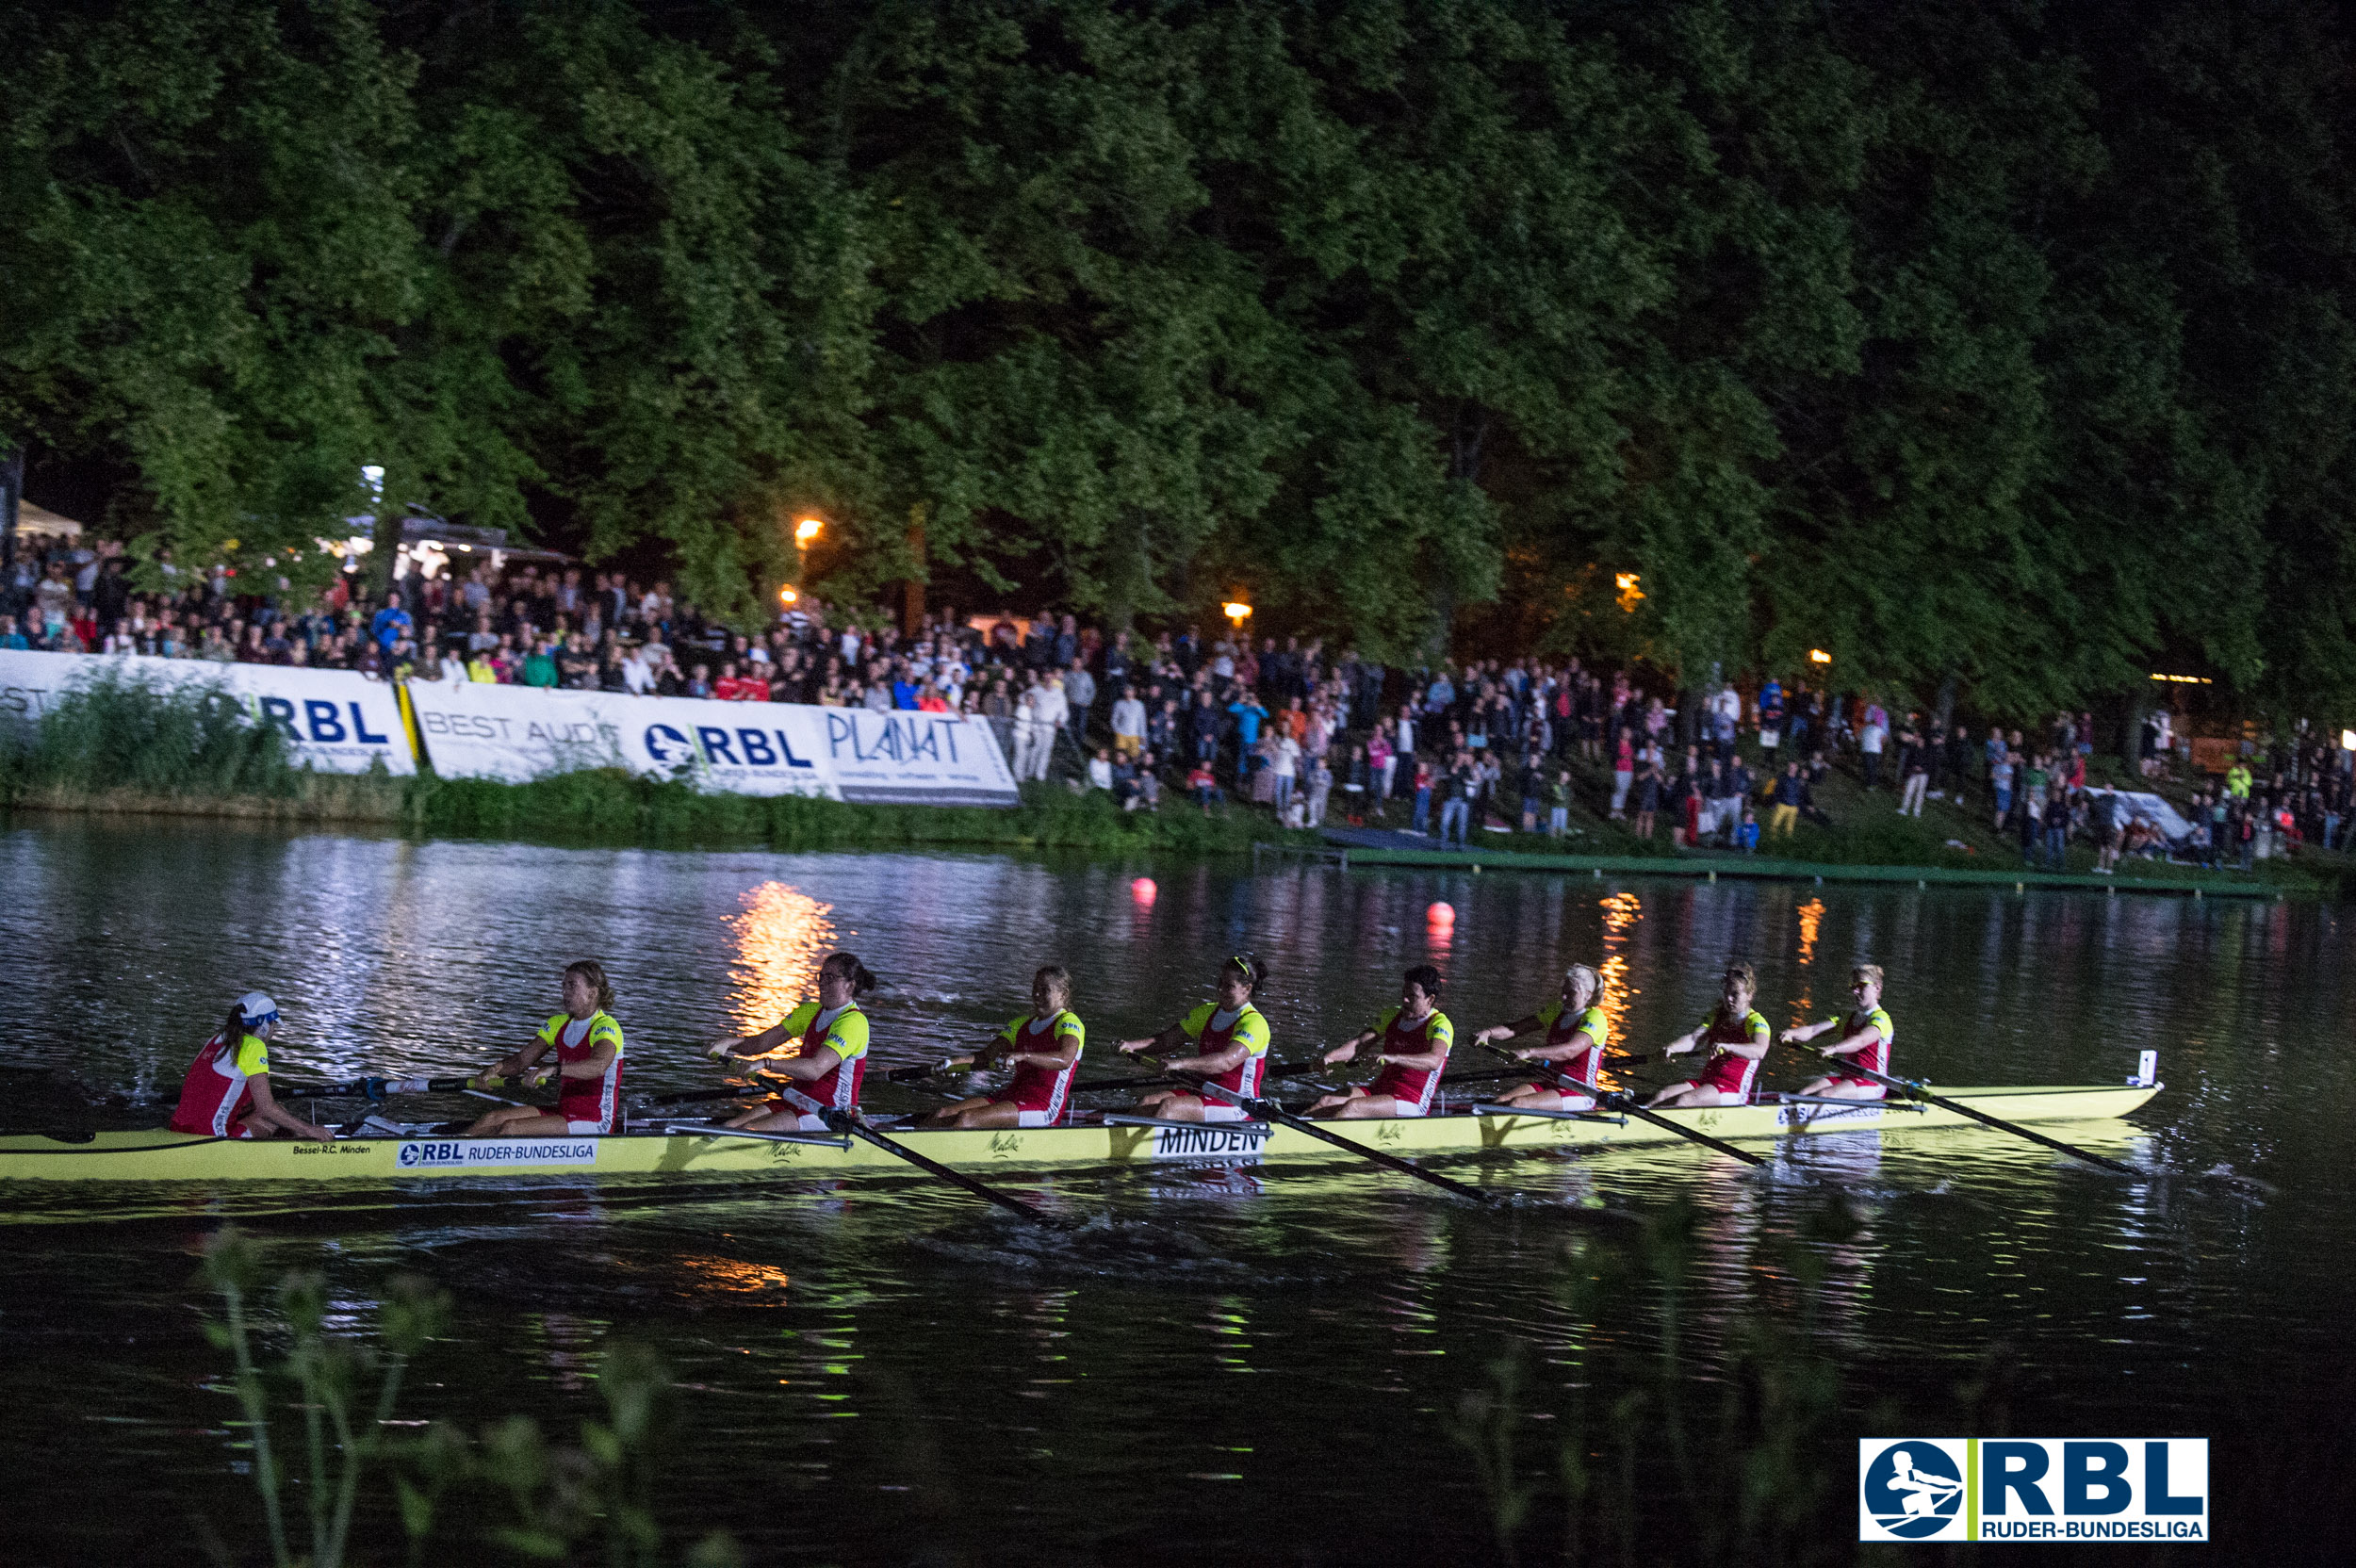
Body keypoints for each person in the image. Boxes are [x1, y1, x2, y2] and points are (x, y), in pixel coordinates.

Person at [706, 952, 880, 1131]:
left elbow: (815, 1069)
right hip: (795, 1100)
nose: (821, 983)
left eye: (830, 978)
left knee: (749, 1130)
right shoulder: (810, 1012)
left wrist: (766, 1063)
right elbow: (759, 1044)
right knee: (729, 1126)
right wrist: (729, 1043)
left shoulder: (853, 1022)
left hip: (830, 1113)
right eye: (821, 976)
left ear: (850, 985)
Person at [460, 962, 628, 1136]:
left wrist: (554, 1070)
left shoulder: (607, 1027)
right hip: (564, 1111)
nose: (564, 992)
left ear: (593, 992)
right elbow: (521, 1061)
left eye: (572, 986)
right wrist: (494, 1070)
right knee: (492, 1119)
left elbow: (598, 1066)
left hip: (596, 1120)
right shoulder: (558, 1023)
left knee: (511, 1128)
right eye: (563, 986)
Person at [1113, 954, 1272, 1124]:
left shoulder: (1254, 1023)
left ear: (1247, 989)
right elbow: (1167, 1040)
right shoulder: (1208, 1012)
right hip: (1203, 1092)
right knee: (1146, 1102)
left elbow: (1225, 1062)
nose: (1220, 990)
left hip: (1238, 1105)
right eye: (1220, 983)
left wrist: (1180, 1063)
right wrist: (1132, 1045)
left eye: (1228, 986)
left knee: (1169, 1108)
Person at [924, 965, 1086, 1129]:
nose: (1036, 995)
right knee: (941, 1114)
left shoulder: (1069, 1022)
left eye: (1044, 990)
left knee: (967, 1118)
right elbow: (986, 1057)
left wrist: (1024, 1056)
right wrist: (953, 1063)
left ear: (1063, 994)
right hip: (1010, 1096)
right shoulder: (1020, 1024)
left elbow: (1065, 1060)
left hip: (1043, 1107)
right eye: (1035, 988)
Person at [167, 992, 336, 1140]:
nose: (274, 1030)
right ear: (263, 1025)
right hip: (212, 1136)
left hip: (178, 1128)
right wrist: (308, 1129)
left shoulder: (217, 1040)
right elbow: (266, 1108)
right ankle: (296, 1152)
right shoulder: (254, 1047)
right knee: (273, 1119)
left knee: (275, 1113)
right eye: (273, 1024)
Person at [1311, 965, 1454, 1119]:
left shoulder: (1439, 1024)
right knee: (1326, 1101)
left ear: (1430, 999)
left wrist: (1395, 1058)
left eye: (1412, 996)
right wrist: (1330, 1058)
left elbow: (1434, 1061)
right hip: (1380, 1091)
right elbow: (1358, 1044)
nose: (1404, 1000)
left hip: (1412, 1101)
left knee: (1354, 1107)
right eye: (1403, 993)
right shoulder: (1392, 1015)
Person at [1471, 963, 1609, 1113]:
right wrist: (1488, 1033)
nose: (1564, 997)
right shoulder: (1557, 1010)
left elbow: (1570, 1051)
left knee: (1517, 1104)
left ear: (1588, 995)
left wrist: (1529, 1052)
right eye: (1563, 991)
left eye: (1571, 993)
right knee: (1500, 1101)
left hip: (1581, 1093)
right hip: (1551, 1083)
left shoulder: (1595, 1018)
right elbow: (1517, 1028)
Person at [1647, 964, 1772, 1108]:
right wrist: (1672, 1048)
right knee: (1662, 1095)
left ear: (1749, 995)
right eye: (1726, 993)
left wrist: (1728, 1047)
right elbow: (1694, 1038)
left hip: (1733, 1090)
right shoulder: (1717, 1016)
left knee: (1684, 1101)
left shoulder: (1756, 1022)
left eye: (1735, 994)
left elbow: (1760, 1051)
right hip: (1707, 1082)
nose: (1729, 999)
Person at [1779, 965, 1894, 1101]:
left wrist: (1833, 1048)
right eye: (1853, 986)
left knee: (1824, 1095)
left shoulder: (1881, 1019)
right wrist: (1791, 1033)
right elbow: (1813, 1030)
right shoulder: (1848, 1018)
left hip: (1873, 1084)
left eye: (1861, 986)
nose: (1855, 991)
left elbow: (1861, 1041)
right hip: (1848, 1079)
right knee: (1803, 1093)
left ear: (1877, 988)